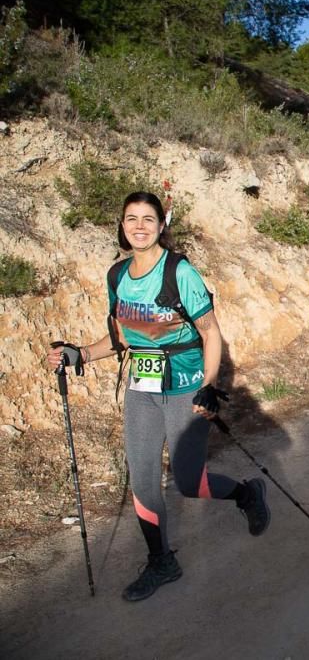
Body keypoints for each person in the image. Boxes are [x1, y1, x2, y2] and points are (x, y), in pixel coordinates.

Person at [45, 192, 269, 603]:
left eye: (148, 219)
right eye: (132, 218)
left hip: (185, 386)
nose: (140, 226)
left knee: (188, 482)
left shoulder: (179, 272)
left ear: (161, 224)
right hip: (141, 390)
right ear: (122, 225)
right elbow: (120, 335)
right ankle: (161, 560)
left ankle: (246, 493)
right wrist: (80, 354)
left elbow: (210, 332)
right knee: (144, 478)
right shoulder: (117, 276)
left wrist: (210, 384)